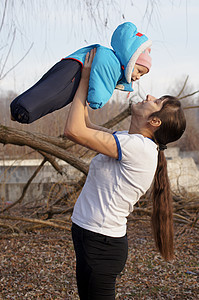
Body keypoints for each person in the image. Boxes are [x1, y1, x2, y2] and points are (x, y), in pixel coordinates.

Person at [64, 49, 186, 300]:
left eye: (157, 102)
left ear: (155, 122)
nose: (149, 95)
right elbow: (85, 124)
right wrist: (100, 78)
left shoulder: (138, 149)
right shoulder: (128, 140)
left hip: (101, 244)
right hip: (91, 237)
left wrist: (86, 79)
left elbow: (73, 130)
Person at [10, 22, 152, 124]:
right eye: (139, 71)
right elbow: (101, 86)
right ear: (130, 61)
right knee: (51, 95)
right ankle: (23, 111)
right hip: (74, 71)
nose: (138, 77)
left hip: (71, 67)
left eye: (142, 75)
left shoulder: (113, 61)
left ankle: (16, 108)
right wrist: (97, 101)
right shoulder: (111, 62)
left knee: (45, 88)